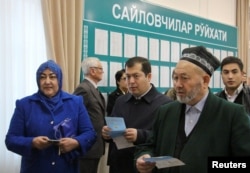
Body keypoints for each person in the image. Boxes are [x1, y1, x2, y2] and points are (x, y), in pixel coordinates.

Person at [135, 46, 250, 173]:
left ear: (205, 80)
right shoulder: (165, 112)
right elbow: (149, 145)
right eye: (175, 78)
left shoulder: (232, 114)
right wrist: (145, 156)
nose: (178, 85)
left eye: (184, 78)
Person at [5, 60, 96, 173]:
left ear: (59, 80)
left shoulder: (75, 102)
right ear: (38, 80)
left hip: (66, 168)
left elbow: (90, 134)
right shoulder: (24, 105)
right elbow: (10, 140)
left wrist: (76, 142)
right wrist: (32, 142)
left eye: (52, 77)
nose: (47, 81)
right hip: (35, 168)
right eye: (43, 77)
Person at [102, 56, 172, 173]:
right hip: (118, 165)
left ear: (148, 77)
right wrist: (106, 134)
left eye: (136, 76)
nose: (131, 81)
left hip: (145, 167)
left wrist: (139, 135)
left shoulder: (165, 104)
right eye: (128, 76)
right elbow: (112, 129)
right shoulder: (120, 101)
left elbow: (167, 139)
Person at [73, 57, 106, 173]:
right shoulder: (83, 89)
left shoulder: (94, 89)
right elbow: (74, 116)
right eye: (101, 69)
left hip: (95, 145)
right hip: (87, 147)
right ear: (92, 71)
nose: (103, 72)